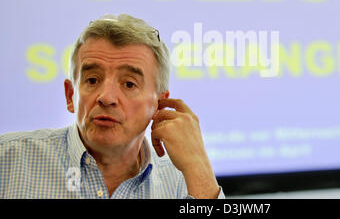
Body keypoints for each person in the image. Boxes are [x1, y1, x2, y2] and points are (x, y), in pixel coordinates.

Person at [0, 14, 224, 199]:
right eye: (92, 80)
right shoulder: (7, 161)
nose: (106, 98)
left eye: (129, 84)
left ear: (158, 104)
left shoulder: (184, 183)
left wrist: (199, 168)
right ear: (71, 96)